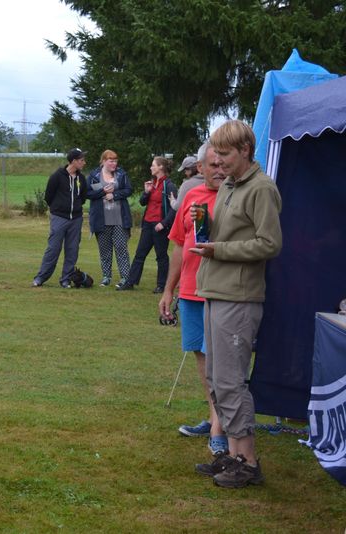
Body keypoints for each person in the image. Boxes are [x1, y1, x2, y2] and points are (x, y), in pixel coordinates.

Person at [191, 120, 282, 488]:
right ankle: (231, 455)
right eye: (216, 154)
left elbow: (269, 244)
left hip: (240, 297)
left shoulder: (262, 188)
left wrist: (219, 249)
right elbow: (230, 234)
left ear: (245, 150)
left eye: (225, 154)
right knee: (217, 378)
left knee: (231, 381)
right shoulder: (228, 186)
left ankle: (248, 462)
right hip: (216, 291)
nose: (218, 162)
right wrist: (207, 223)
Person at [159, 143, 227, 455]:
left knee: (221, 359)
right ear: (200, 168)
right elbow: (177, 245)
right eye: (212, 164)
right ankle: (216, 416)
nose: (219, 169)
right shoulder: (192, 197)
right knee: (202, 356)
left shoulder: (235, 196)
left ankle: (219, 426)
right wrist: (168, 290)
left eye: (223, 162)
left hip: (223, 290)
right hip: (189, 290)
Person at [119, 157, 178, 292]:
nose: (151, 168)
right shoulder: (152, 183)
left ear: (161, 168)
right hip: (147, 224)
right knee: (140, 254)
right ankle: (130, 282)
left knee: (161, 256)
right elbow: (142, 202)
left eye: (153, 165)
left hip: (160, 227)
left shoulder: (169, 186)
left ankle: (161, 286)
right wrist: (146, 191)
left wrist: (163, 223)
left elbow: (175, 208)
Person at [31, 148, 87, 288]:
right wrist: (58, 209)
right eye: (81, 160)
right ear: (73, 161)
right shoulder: (57, 176)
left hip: (76, 219)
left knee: (72, 250)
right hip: (59, 218)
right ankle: (40, 278)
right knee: (53, 248)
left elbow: (83, 197)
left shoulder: (81, 178)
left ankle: (66, 279)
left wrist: (76, 208)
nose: (84, 163)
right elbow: (48, 197)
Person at [86, 150, 133, 288]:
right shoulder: (94, 175)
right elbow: (88, 193)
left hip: (119, 218)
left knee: (121, 248)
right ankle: (106, 276)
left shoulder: (121, 174)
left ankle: (125, 278)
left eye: (115, 161)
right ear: (104, 161)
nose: (114, 163)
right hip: (101, 219)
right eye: (111, 161)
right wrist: (102, 192)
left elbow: (128, 190)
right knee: (104, 250)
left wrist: (115, 195)